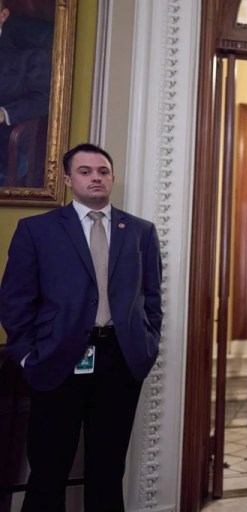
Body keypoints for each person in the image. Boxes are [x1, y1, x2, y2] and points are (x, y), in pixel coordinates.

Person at [0, 143, 163, 511]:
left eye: (103, 171)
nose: (96, 178)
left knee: (107, 470)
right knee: (47, 471)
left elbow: (152, 299)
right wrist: (27, 356)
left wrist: (147, 345)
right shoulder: (36, 230)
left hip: (119, 362)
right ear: (69, 177)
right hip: (56, 360)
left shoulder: (140, 232)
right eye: (86, 171)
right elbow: (14, 300)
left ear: (113, 178)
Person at [0, 0, 53, 185]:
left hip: (5, 142)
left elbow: (43, 99)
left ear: (3, 15)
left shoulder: (28, 53)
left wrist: (4, 113)